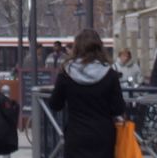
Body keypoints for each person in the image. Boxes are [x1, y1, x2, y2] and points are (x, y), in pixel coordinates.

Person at [47, 29, 126, 158]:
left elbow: (55, 104)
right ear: (100, 48)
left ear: (76, 48)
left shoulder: (66, 73)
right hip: (103, 135)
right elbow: (118, 108)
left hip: (76, 135)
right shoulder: (110, 74)